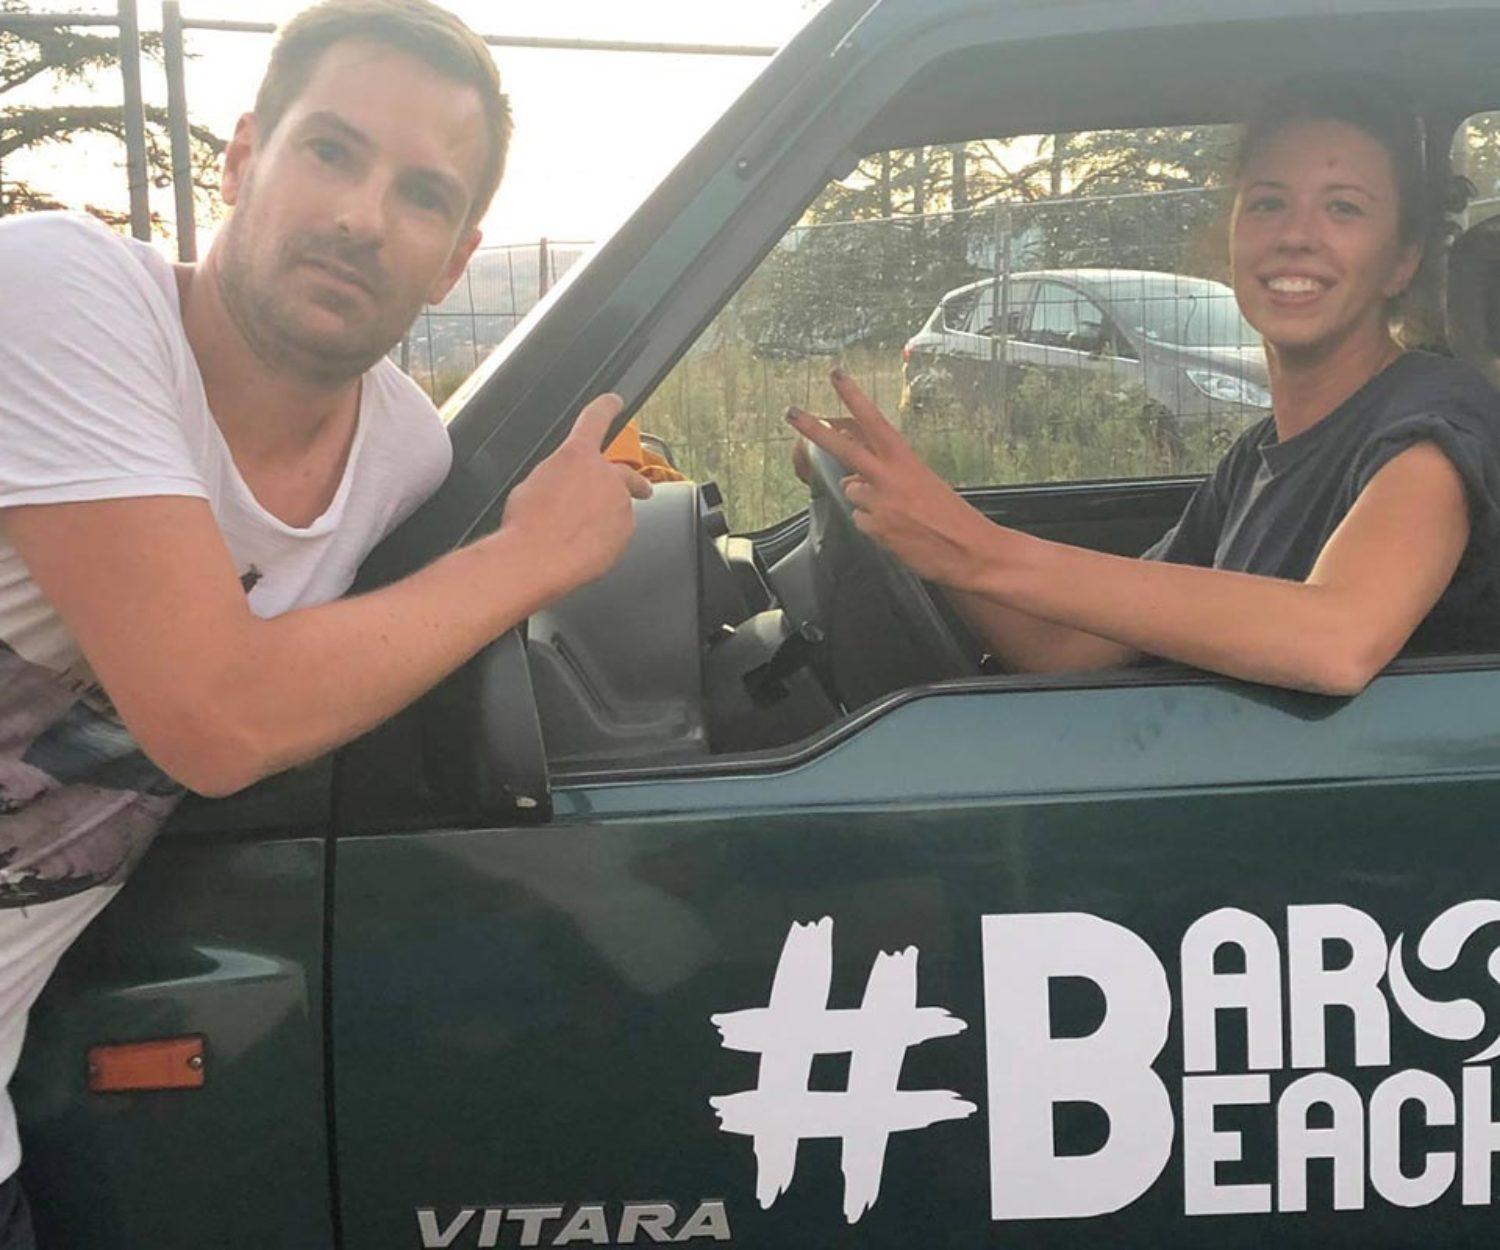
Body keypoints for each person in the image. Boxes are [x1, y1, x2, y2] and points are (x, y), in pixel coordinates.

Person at [0, 1, 650, 1243]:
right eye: (331, 152)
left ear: (455, 259)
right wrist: (534, 557)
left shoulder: (404, 455)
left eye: (421, 194)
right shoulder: (58, 291)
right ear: (244, 159)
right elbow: (215, 711)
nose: (362, 217)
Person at [788, 77, 1500, 694]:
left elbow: (1339, 638)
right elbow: (1069, 650)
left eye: (1343, 207)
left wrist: (979, 546)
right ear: (1232, 233)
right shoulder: (1255, 459)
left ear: (1402, 262)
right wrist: (924, 524)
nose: (1297, 235)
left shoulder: (1435, 427)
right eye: (1267, 203)